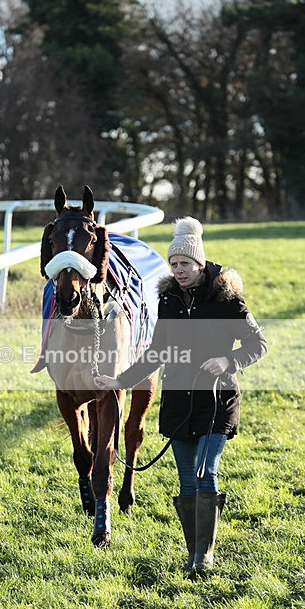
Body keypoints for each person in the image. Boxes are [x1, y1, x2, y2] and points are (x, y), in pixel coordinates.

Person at [94, 217, 267, 576]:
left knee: (206, 472)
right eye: (173, 265)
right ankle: (193, 553)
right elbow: (156, 352)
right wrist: (119, 380)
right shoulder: (168, 299)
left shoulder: (226, 298)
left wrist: (229, 359)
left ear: (199, 263)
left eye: (185, 264)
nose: (178, 270)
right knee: (186, 479)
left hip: (216, 400)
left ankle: (204, 556)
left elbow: (258, 343)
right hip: (178, 402)